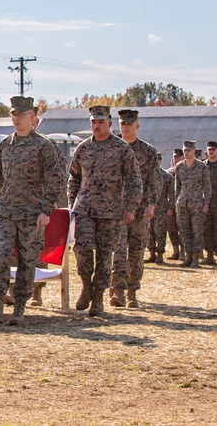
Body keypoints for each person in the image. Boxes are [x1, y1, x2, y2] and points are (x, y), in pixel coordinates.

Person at [0, 97, 65, 325]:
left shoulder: (44, 146)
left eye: (21, 114)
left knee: (28, 261)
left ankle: (19, 307)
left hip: (32, 213)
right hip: (6, 211)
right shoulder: (5, 144)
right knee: (0, 257)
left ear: (32, 117)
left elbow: (55, 180)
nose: (16, 118)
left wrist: (46, 210)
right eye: (13, 114)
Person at [67, 105, 142, 316]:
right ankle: (86, 285)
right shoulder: (83, 148)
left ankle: (98, 297)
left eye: (100, 122)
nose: (96, 126)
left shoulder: (121, 149)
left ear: (110, 123)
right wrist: (73, 203)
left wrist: (130, 208)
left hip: (110, 211)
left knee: (105, 254)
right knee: (81, 250)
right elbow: (74, 177)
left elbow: (134, 180)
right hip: (85, 209)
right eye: (93, 122)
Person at [109, 109, 160, 308]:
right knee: (118, 251)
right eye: (123, 124)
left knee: (137, 252)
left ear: (137, 126)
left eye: (130, 124)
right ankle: (118, 291)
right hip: (117, 210)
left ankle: (132, 292)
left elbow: (155, 180)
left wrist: (152, 204)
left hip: (140, 211)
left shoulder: (148, 152)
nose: (126, 127)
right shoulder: (112, 149)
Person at [175, 140, 212, 269]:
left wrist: (206, 203)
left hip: (197, 203)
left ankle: (196, 257)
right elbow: (177, 187)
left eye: (189, 150)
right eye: (185, 150)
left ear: (194, 151)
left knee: (197, 230)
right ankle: (188, 256)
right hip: (183, 202)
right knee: (185, 231)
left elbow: (207, 187)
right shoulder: (179, 167)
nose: (186, 152)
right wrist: (176, 202)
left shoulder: (202, 167)